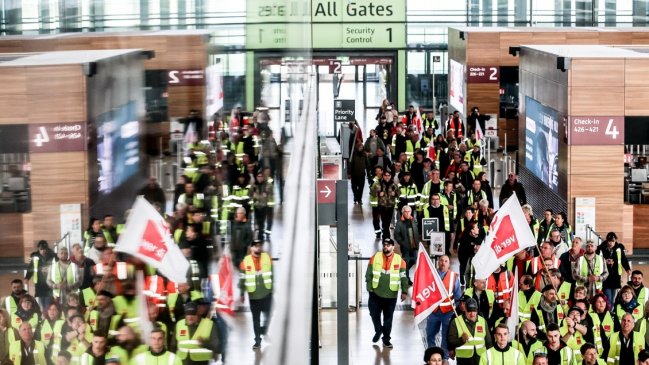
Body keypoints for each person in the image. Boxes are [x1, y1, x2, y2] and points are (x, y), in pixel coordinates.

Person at [365, 238, 408, 349]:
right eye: (384, 245)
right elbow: (369, 272)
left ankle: (386, 340)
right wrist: (369, 286)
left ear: (393, 247)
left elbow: (403, 277)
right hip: (375, 293)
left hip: (391, 295)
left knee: (388, 319)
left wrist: (404, 291)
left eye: (388, 245)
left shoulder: (400, 260)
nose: (386, 247)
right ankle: (378, 330)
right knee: (374, 314)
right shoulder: (375, 257)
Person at [239, 240, 273, 350]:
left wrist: (273, 288)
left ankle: (263, 330)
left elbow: (273, 274)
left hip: (267, 292)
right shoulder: (245, 262)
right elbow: (242, 278)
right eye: (256, 246)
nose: (258, 248)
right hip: (253, 295)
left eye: (260, 246)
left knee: (268, 315)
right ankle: (257, 340)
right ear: (251, 248)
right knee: (256, 319)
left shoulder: (267, 258)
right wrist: (241, 293)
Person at [426, 255, 461, 356]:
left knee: (446, 336)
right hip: (434, 312)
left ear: (449, 264)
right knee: (430, 334)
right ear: (438, 262)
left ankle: (445, 357)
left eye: (446, 261)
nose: (443, 263)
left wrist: (457, 312)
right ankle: (432, 355)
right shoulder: (431, 275)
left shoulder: (453, 277)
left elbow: (458, 295)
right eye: (441, 260)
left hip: (448, 312)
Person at [447, 298, 492, 365]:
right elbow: (450, 341)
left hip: (481, 358)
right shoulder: (456, 321)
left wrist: (491, 356)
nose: (472, 314)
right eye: (469, 311)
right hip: (463, 360)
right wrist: (461, 340)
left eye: (474, 311)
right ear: (465, 309)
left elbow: (488, 341)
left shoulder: (482, 320)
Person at [598, 232, 631, 308]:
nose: (610, 243)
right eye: (609, 241)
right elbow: (597, 259)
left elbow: (623, 259)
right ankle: (608, 313)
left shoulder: (619, 249)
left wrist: (627, 269)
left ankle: (611, 311)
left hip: (616, 276)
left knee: (613, 298)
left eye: (612, 241)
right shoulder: (601, 248)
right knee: (608, 297)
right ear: (606, 240)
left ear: (615, 240)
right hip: (605, 276)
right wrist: (605, 261)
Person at [25, 240, 55, 309]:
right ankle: (43, 316)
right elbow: (30, 268)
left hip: (49, 285)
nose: (43, 251)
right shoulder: (35, 257)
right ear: (38, 249)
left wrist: (49, 269)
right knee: (41, 305)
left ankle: (46, 316)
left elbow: (57, 267)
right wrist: (27, 278)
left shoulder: (52, 256)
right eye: (41, 249)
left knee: (47, 305)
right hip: (39, 285)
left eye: (44, 249)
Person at [394, 205, 419, 285]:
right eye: (406, 211)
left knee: (414, 260)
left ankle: (404, 270)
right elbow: (396, 235)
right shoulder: (399, 223)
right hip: (405, 247)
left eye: (409, 211)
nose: (408, 213)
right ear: (403, 212)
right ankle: (407, 280)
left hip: (414, 246)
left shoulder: (413, 220)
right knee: (406, 262)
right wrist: (402, 243)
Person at [374, 170, 398, 240]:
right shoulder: (379, 184)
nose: (387, 177)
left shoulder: (394, 185)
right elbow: (373, 193)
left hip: (390, 206)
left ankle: (386, 235)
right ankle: (386, 237)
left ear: (390, 176)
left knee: (387, 222)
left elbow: (399, 193)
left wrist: (395, 194)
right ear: (383, 176)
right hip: (382, 206)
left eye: (388, 175)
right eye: (385, 175)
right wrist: (378, 194)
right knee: (384, 222)